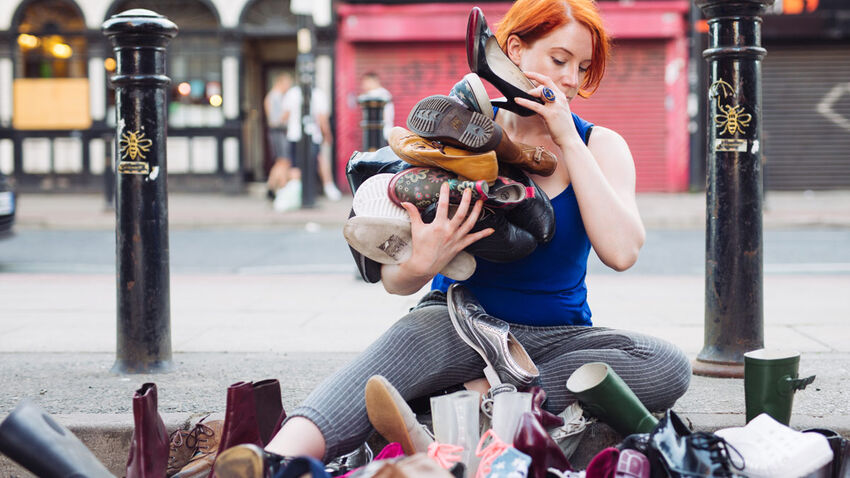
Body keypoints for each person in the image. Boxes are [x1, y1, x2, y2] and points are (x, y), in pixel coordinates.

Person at [264, 0, 691, 462]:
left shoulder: (600, 145)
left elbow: (622, 253)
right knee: (380, 366)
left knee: (666, 364)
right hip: (458, 323)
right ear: (515, 50)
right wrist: (420, 264)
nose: (570, 79)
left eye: (583, 68)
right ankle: (269, 461)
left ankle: (475, 397)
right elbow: (394, 283)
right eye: (559, 59)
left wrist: (567, 138)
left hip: (555, 340)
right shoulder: (456, 134)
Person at [274, 83, 342, 211]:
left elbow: (285, 115)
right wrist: (327, 134)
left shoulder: (292, 93)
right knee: (317, 161)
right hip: (312, 135)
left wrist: (278, 124)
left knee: (295, 166)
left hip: (294, 135)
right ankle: (326, 188)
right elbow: (322, 119)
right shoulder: (318, 94)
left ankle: (297, 192)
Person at [264, 73, 294, 200]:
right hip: (279, 133)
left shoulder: (273, 96)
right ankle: (279, 188)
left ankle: (272, 187)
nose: (288, 87)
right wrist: (287, 116)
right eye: (287, 84)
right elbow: (275, 120)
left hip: (277, 133)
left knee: (281, 161)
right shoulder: (275, 97)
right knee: (284, 161)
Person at [360, 71, 395, 141]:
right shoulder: (384, 93)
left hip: (380, 132)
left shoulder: (378, 94)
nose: (363, 85)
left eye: (365, 82)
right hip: (382, 131)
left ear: (372, 81)